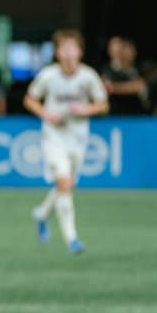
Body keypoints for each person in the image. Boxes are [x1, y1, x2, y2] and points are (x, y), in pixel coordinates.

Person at [23, 30, 109, 254]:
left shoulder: (88, 76)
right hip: (54, 135)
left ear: (80, 52)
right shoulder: (48, 76)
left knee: (67, 184)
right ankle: (72, 238)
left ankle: (42, 214)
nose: (69, 53)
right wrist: (45, 114)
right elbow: (30, 99)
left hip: (78, 136)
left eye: (73, 48)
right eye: (64, 48)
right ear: (57, 52)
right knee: (64, 182)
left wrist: (85, 109)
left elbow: (103, 104)